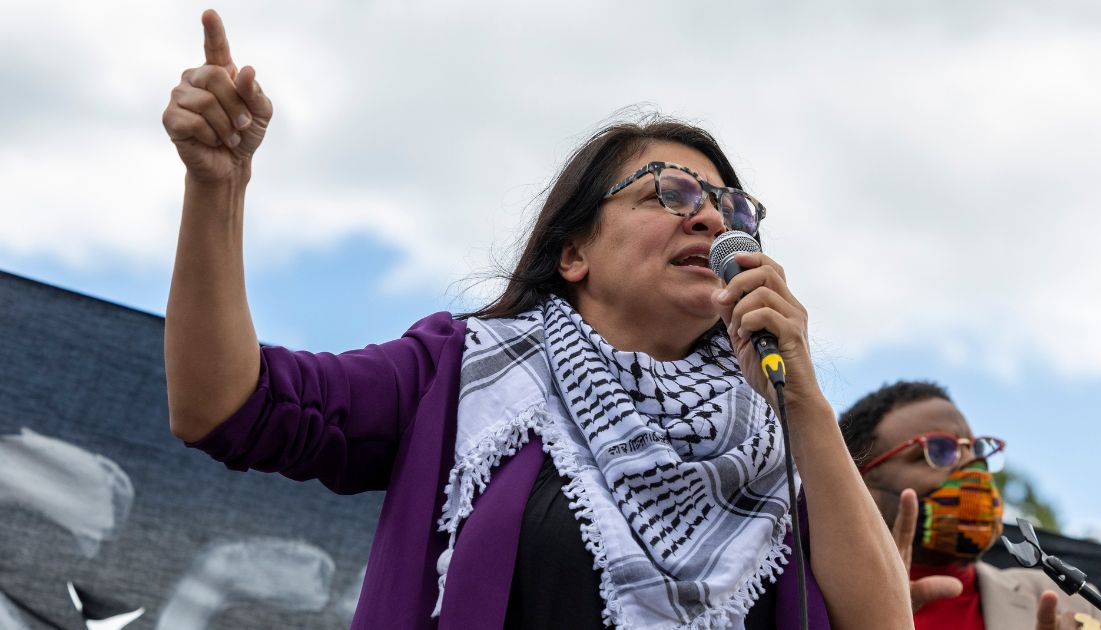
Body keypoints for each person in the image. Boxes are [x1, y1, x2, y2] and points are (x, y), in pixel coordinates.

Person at [160, 9, 912, 629]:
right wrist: (216, 189)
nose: (712, 219)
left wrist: (803, 397)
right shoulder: (459, 374)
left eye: (731, 209)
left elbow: (883, 624)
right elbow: (223, 404)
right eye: (671, 193)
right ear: (574, 250)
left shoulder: (774, 432)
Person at [838, 380, 1101, 630]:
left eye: (975, 448)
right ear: (860, 485)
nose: (973, 464)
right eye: (938, 450)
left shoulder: (1074, 602)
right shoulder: (810, 604)